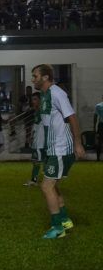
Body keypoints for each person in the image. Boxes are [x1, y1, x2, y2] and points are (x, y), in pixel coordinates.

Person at [31, 64, 85, 239]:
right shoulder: (45, 95)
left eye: (35, 76)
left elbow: (72, 117)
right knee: (52, 186)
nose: (33, 79)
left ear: (46, 77)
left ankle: (57, 228)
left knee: (47, 186)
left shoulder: (57, 93)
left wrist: (78, 143)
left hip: (61, 148)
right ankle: (65, 220)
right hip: (53, 148)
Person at [24, 92, 45, 186]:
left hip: (41, 141)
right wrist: (31, 136)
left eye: (35, 99)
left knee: (37, 161)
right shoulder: (37, 112)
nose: (33, 101)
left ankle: (35, 180)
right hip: (37, 140)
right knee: (37, 160)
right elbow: (35, 126)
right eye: (32, 99)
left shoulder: (42, 112)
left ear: (41, 100)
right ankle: (35, 180)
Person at [94, 94, 103, 161]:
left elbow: (95, 117)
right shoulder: (98, 106)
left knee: (99, 141)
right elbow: (95, 117)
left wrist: (94, 127)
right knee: (99, 141)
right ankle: (98, 158)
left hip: (101, 125)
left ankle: (98, 158)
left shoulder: (98, 105)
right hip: (101, 125)